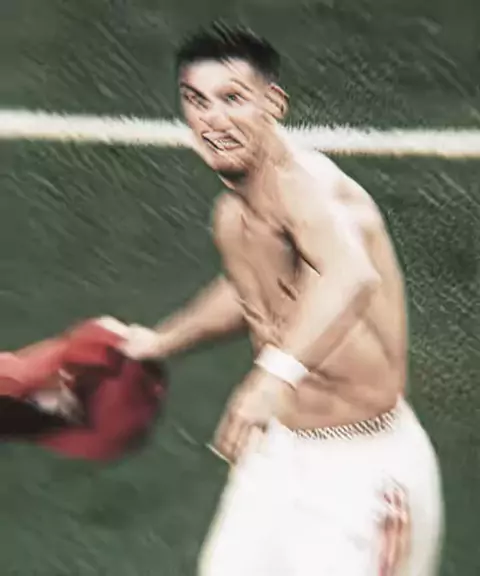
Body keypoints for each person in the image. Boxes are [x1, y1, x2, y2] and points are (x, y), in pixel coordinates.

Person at [122, 23, 444, 576]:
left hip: (362, 474)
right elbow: (253, 291)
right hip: (277, 456)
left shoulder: (309, 184)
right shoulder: (234, 214)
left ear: (273, 103)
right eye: (196, 101)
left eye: (232, 99)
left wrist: (272, 377)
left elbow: (348, 272)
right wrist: (161, 342)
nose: (212, 119)